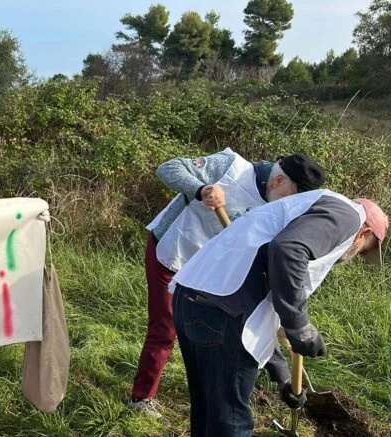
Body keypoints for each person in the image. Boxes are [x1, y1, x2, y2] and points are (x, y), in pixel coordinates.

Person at [128, 149, 326, 417]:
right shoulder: (231, 167)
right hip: (173, 252)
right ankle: (141, 398)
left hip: (209, 269)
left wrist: (284, 336)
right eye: (291, 198)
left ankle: (270, 375)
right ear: (278, 182)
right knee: (165, 328)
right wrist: (202, 189)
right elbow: (168, 168)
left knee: (226, 323)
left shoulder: (278, 209)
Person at [171, 191, 387, 437]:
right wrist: (299, 326)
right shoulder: (348, 216)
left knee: (209, 411)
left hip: (193, 300)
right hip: (221, 314)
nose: (353, 256)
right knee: (230, 422)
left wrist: (281, 372)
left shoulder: (309, 207)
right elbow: (287, 249)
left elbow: (262, 309)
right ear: (365, 233)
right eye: (362, 251)